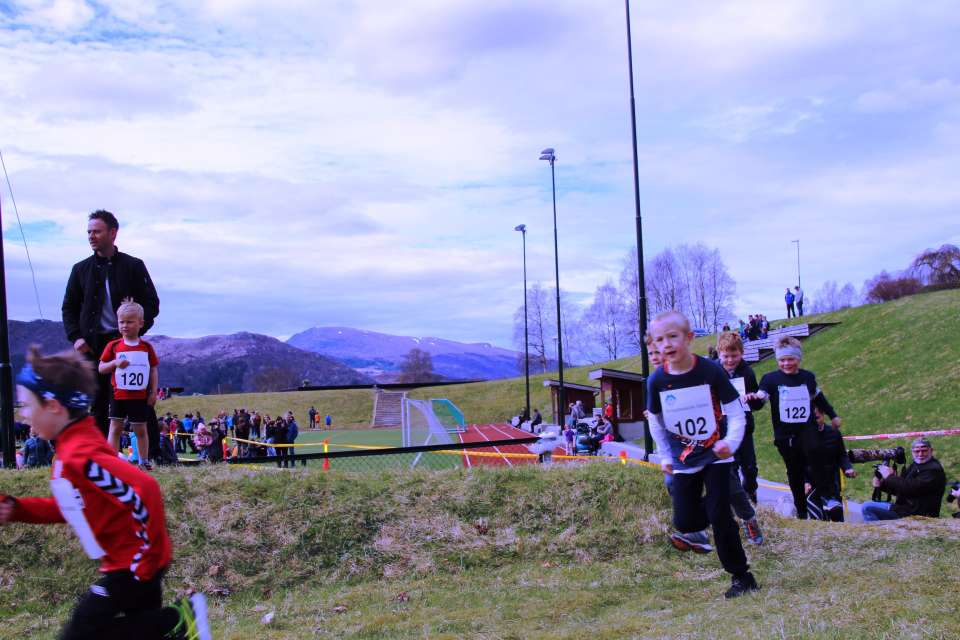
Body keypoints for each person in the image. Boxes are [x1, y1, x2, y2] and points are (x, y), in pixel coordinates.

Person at [0, 346, 209, 640]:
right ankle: (177, 626)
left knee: (80, 632)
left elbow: (144, 489)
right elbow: (69, 507)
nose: (22, 415)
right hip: (131, 561)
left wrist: (142, 559)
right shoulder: (69, 450)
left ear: (53, 406)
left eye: (26, 405)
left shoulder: (80, 456)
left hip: (133, 565)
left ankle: (182, 619)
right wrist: (17, 508)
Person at [646, 310, 759, 598]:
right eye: (659, 340)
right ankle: (702, 528)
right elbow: (656, 422)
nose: (666, 344)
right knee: (685, 522)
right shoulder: (656, 381)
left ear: (689, 338)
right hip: (684, 460)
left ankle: (742, 576)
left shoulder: (710, 371)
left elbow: (735, 411)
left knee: (721, 516)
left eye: (673, 336)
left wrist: (730, 443)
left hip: (716, 454)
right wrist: (665, 456)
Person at [62, 209, 160, 438]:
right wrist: (76, 337)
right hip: (92, 347)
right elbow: (69, 307)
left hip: (126, 345)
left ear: (113, 233)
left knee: (139, 398)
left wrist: (135, 331)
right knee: (97, 403)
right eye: (89, 232)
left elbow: (151, 303)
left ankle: (154, 453)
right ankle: (101, 454)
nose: (91, 236)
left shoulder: (133, 265)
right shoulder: (80, 269)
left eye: (97, 231)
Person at [750, 336, 843, 520]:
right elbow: (761, 398)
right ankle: (801, 509)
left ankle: (826, 497)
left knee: (816, 452)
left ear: (798, 359)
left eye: (790, 359)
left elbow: (818, 398)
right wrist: (754, 399)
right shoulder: (770, 379)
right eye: (782, 360)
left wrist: (833, 415)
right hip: (784, 434)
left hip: (806, 428)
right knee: (794, 472)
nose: (786, 364)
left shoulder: (807, 377)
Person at [99, 299, 159, 470]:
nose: (125, 325)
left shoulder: (146, 347)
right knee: (115, 428)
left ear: (140, 323)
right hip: (118, 395)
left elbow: (153, 370)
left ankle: (143, 461)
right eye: (121, 322)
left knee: (140, 429)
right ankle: (112, 462)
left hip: (139, 396)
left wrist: (153, 392)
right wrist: (114, 363)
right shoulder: (113, 346)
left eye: (130, 322)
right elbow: (101, 368)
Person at [716, 332, 764, 545]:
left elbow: (757, 403)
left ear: (741, 353)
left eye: (734, 356)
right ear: (719, 354)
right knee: (731, 469)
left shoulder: (748, 372)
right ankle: (741, 507)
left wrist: (754, 399)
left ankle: (750, 490)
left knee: (750, 467)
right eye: (725, 356)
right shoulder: (714, 371)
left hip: (744, 427)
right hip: (723, 428)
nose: (729, 360)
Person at [861, 437, 946, 521]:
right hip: (906, 509)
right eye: (917, 451)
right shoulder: (916, 465)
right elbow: (901, 489)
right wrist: (881, 484)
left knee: (867, 507)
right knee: (869, 505)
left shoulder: (933, 470)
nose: (920, 454)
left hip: (917, 514)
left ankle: (878, 530)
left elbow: (910, 488)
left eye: (924, 451)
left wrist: (889, 477)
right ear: (912, 452)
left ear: (931, 451)